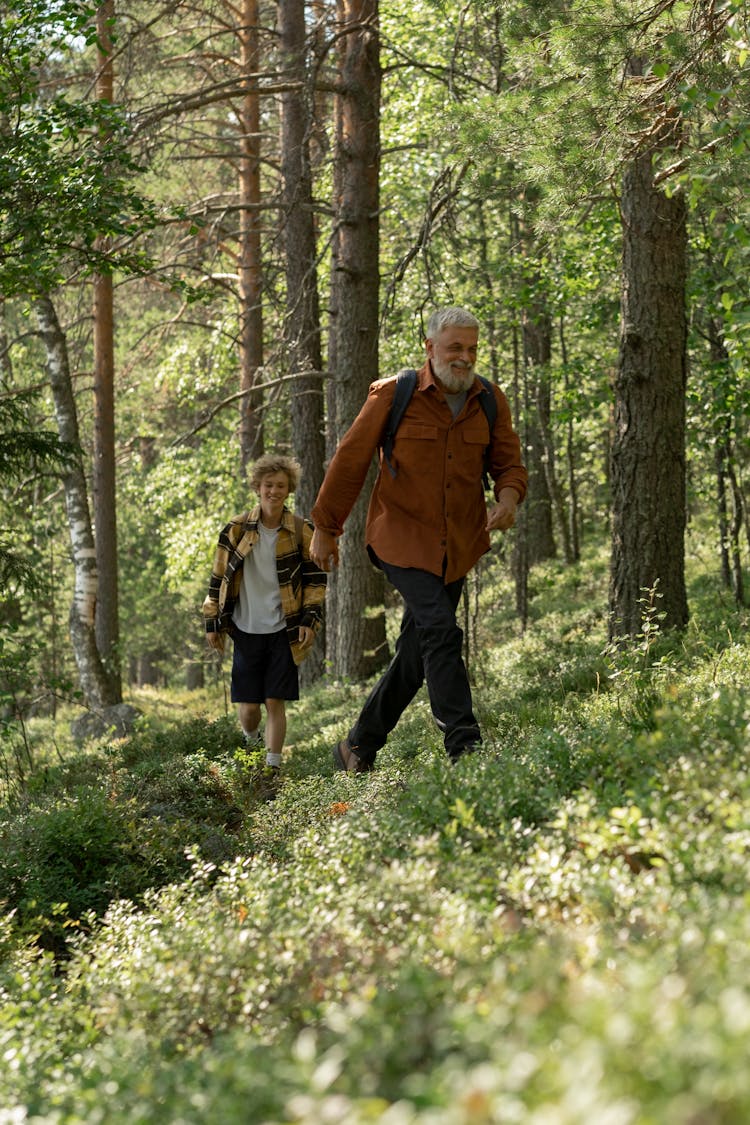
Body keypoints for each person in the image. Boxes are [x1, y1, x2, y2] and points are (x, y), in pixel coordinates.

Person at [310, 306, 527, 772]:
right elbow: (350, 462)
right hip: (401, 537)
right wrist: (326, 528)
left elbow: (508, 463)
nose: (465, 358)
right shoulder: (393, 395)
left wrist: (507, 501)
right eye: (455, 348)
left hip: (459, 546)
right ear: (430, 348)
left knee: (417, 649)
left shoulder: (489, 399)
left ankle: (357, 746)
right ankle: (465, 750)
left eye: (471, 349)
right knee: (441, 631)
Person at [203, 454, 327, 771]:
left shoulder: (301, 530)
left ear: (289, 490)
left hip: (284, 630)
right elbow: (217, 578)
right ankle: (253, 745)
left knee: (275, 700)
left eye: (280, 486)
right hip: (244, 629)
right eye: (268, 485)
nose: (274, 491)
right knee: (248, 710)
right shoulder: (235, 529)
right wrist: (212, 623)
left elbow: (316, 580)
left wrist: (310, 621)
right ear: (257, 487)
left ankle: (272, 768)